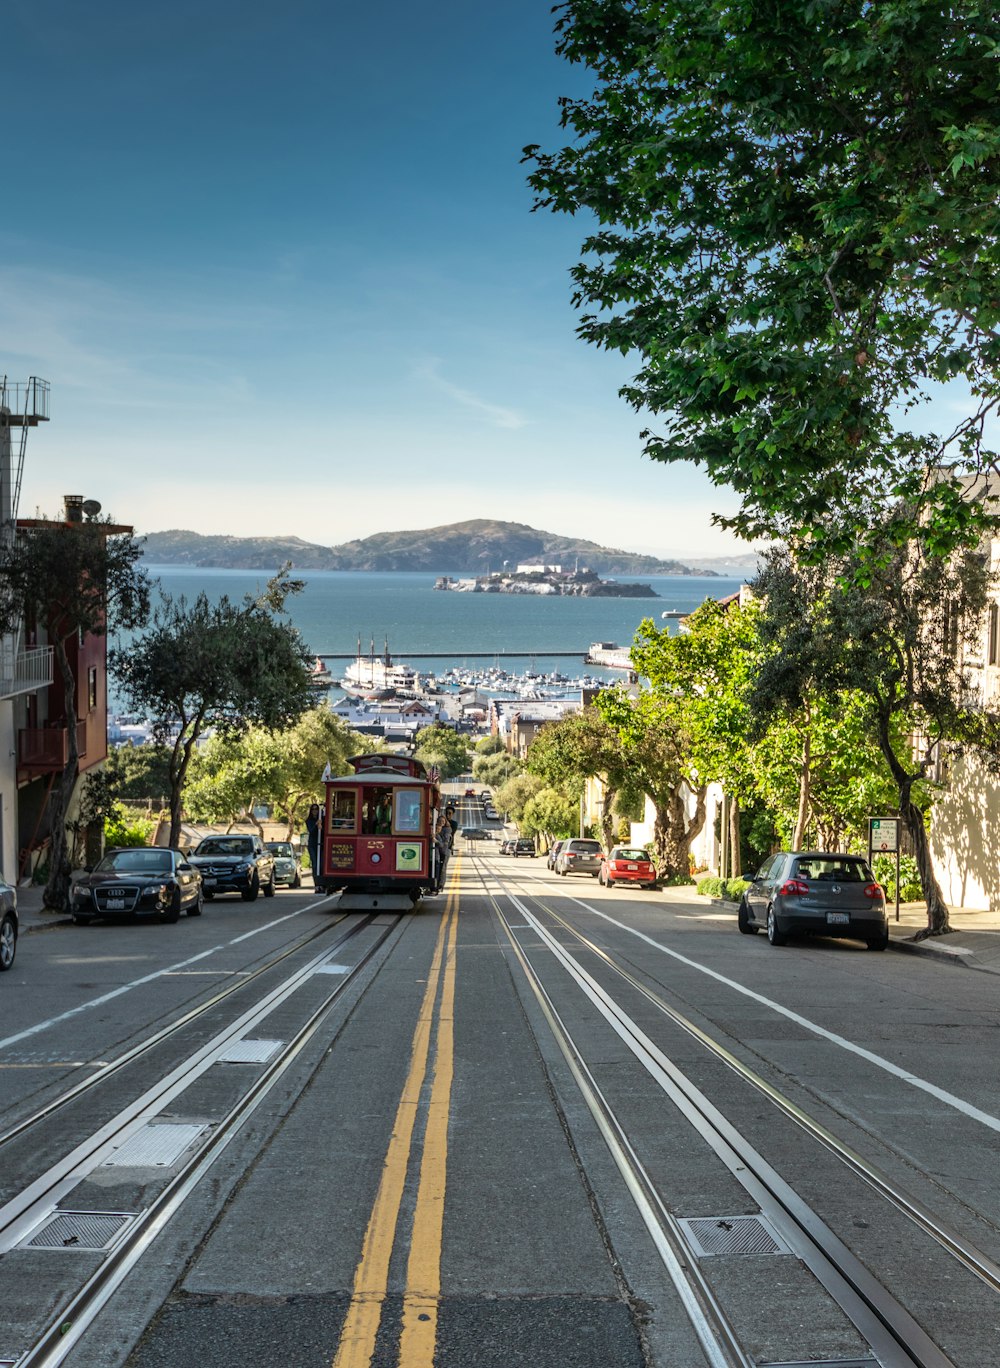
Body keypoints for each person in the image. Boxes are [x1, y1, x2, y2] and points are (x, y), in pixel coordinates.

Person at [305, 803, 321, 890]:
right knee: (315, 864)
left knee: (321, 864)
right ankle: (316, 885)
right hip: (312, 845)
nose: (315, 811)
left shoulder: (322, 819)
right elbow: (311, 831)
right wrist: (316, 825)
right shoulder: (309, 821)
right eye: (313, 809)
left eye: (316, 809)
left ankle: (322, 884)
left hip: (321, 844)